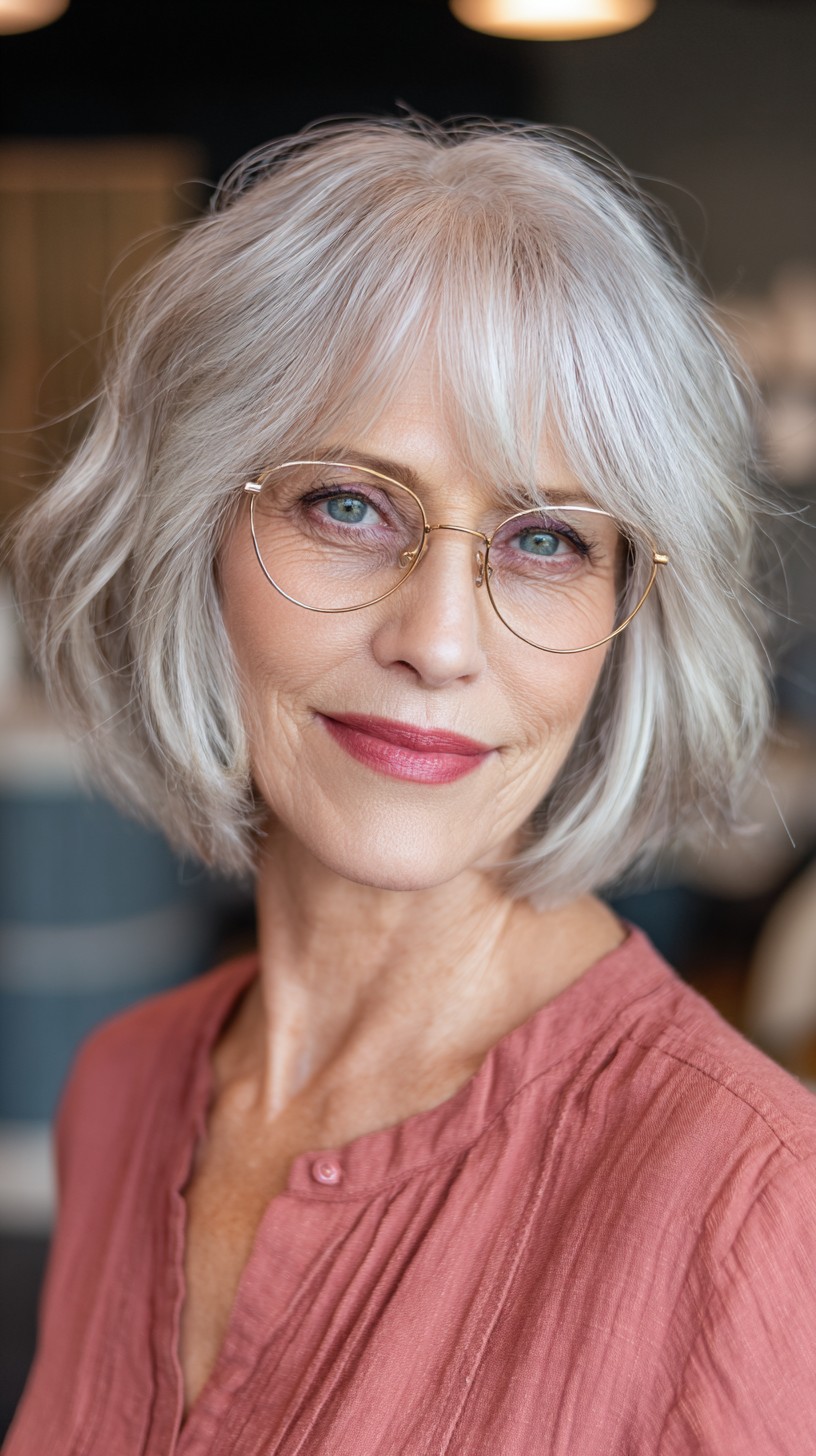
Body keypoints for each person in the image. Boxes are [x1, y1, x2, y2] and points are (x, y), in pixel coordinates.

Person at [6, 117, 816, 1456]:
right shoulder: (124, 1090)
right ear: (192, 534)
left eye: (547, 538)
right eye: (347, 505)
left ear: (627, 621)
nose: (438, 639)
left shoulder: (751, 1206)